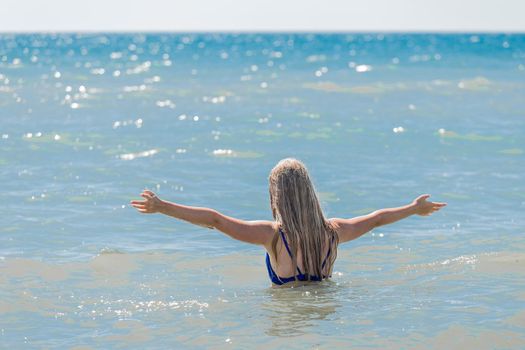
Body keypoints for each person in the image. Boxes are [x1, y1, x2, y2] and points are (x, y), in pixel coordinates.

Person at [130, 158, 446, 286]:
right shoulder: (334, 232)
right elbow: (377, 220)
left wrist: (162, 207)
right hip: (325, 316)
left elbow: (216, 220)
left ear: (277, 196)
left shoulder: (272, 236)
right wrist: (414, 208)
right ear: (309, 193)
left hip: (287, 319)